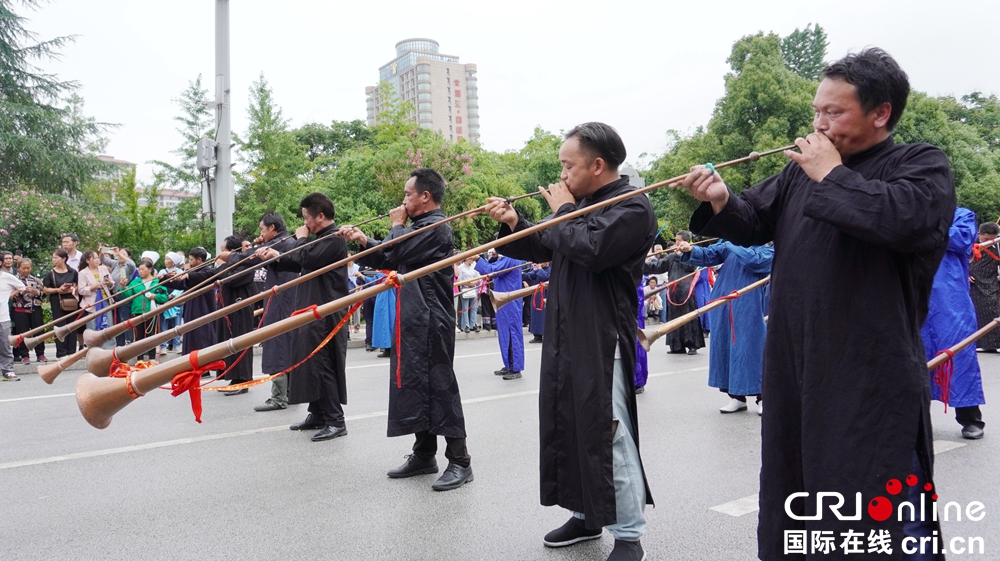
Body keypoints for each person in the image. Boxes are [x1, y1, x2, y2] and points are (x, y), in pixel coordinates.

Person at [678, 48, 954, 559]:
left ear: (881, 113)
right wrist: (719, 197)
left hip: (869, 369)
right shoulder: (799, 172)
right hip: (796, 360)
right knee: (797, 486)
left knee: (875, 496)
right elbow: (753, 219)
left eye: (835, 112)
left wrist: (831, 174)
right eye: (817, 111)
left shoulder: (920, 164)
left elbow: (903, 220)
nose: (819, 123)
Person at [484, 122, 657, 561]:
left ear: (597, 165)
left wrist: (562, 212)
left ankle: (629, 535)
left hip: (601, 338)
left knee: (607, 432)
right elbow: (549, 245)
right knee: (570, 424)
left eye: (567, 165)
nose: (561, 175)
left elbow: (592, 249)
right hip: (565, 332)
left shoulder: (632, 208)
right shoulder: (578, 205)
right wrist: (514, 223)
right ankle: (586, 514)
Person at [341, 167, 473, 492]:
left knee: (440, 387)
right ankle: (424, 453)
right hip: (413, 317)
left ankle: (461, 461)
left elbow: (397, 249)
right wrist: (363, 240)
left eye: (407, 194)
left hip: (431, 320)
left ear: (425, 196)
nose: (402, 201)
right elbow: (389, 255)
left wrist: (396, 225)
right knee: (413, 384)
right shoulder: (418, 228)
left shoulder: (437, 228)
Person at [256, 193, 350, 443]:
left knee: (324, 364)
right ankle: (317, 413)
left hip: (327, 311)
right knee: (310, 363)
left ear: (321, 216)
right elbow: (298, 263)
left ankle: (335, 420)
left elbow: (305, 257)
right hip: (311, 308)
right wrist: (274, 260)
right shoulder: (319, 239)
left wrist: (300, 238)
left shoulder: (334, 239)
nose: (305, 223)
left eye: (307, 218)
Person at [680, 240, 772, 415]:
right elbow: (710, 254)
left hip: (749, 304)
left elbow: (757, 262)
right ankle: (736, 397)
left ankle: (764, 397)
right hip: (723, 302)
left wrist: (733, 244)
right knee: (727, 350)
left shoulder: (769, 247)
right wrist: (690, 249)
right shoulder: (732, 245)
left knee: (752, 349)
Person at [921, 208, 986, 440]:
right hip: (914, 296)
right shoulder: (906, 211)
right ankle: (914, 421)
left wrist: (924, 222)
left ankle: (970, 418)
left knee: (959, 355)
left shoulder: (962, 215)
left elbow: (961, 240)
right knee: (913, 358)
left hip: (950, 300)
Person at [247, 212, 300, 412]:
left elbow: (250, 258)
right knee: (287, 345)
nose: (260, 233)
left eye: (262, 229)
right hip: (289, 300)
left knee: (277, 346)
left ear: (272, 228)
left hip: (280, 302)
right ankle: (291, 393)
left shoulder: (278, 245)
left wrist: (244, 252)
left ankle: (279, 397)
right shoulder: (290, 242)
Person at [644, 231, 704, 355]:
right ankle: (677, 346)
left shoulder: (692, 254)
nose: (676, 243)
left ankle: (692, 345)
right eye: (675, 240)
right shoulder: (670, 257)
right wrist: (641, 264)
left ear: (686, 241)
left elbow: (691, 267)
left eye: (678, 240)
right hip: (673, 292)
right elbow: (658, 266)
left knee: (689, 318)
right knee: (674, 318)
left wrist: (679, 254)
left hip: (686, 292)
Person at [210, 236, 255, 394]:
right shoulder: (228, 265)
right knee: (227, 342)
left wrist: (223, 266)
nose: (221, 254)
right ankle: (232, 376)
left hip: (240, 308)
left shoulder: (245, 264)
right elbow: (215, 277)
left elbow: (232, 280)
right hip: (227, 308)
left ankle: (242, 380)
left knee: (239, 342)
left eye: (224, 251)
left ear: (234, 251)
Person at [474, 249, 526, 379]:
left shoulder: (511, 257)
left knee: (512, 334)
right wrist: (492, 258)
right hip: (503, 301)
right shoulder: (505, 258)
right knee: (504, 334)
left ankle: (515, 368)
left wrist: (477, 258)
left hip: (510, 302)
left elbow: (491, 271)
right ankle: (508, 365)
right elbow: (493, 269)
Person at [163, 248, 218, 362]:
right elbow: (181, 283)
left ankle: (204, 364)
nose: (190, 262)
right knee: (191, 334)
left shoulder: (207, 271)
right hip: (192, 307)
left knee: (201, 334)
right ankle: (193, 362)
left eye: (192, 259)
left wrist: (188, 275)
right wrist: (164, 278)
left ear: (199, 260)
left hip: (203, 308)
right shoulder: (194, 272)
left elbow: (206, 275)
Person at [116, 260, 169, 361]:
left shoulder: (157, 281)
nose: (140, 271)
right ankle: (139, 359)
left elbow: (164, 297)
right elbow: (128, 295)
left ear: (150, 269)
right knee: (138, 336)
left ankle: (152, 358)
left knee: (152, 335)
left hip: (152, 312)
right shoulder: (135, 282)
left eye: (142, 269)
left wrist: (155, 296)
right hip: (137, 311)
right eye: (139, 269)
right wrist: (123, 288)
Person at [41, 249, 79, 359]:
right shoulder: (50, 273)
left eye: (56, 258)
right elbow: (45, 289)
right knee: (60, 326)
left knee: (72, 326)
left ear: (64, 259)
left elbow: (78, 285)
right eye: (53, 258)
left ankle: (72, 351)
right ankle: (61, 352)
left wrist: (71, 288)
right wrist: (58, 290)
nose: (54, 260)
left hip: (71, 302)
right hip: (57, 302)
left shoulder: (72, 272)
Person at [969, 222, 1000, 352]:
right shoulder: (969, 243)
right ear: (979, 234)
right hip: (972, 282)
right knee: (974, 311)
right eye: (986, 239)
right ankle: (979, 344)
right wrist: (964, 274)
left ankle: (995, 343)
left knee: (992, 306)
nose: (989, 241)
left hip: (991, 281)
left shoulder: (998, 244)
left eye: (992, 238)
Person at [76, 250, 115, 350]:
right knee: (93, 327)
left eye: (98, 258)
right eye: (95, 258)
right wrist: (93, 287)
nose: (98, 260)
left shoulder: (103, 269)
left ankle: (109, 349)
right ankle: (94, 349)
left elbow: (112, 283)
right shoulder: (83, 273)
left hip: (105, 300)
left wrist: (109, 283)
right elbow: (81, 290)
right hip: (92, 304)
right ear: (88, 261)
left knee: (108, 325)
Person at [12, 259, 46, 364]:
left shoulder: (36, 280)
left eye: (28, 268)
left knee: (39, 331)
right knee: (22, 333)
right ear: (18, 268)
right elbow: (10, 296)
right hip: (20, 309)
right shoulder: (13, 280)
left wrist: (38, 293)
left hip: (35, 308)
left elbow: (44, 294)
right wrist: (22, 292)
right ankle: (24, 355)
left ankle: (40, 354)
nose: (26, 270)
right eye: (24, 268)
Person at [101, 247, 137, 346]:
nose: (119, 256)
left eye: (123, 254)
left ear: (128, 257)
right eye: (118, 254)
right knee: (116, 320)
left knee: (125, 319)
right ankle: (119, 343)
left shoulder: (129, 266)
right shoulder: (115, 264)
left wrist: (118, 253)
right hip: (113, 295)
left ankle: (129, 342)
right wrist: (101, 252)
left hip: (123, 294)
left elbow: (132, 263)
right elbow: (103, 259)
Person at [0, 264, 25, 381]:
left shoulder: (7, 277)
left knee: (5, 346)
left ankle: (8, 371)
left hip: (3, 318)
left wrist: (9, 295)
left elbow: (22, 287)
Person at [158, 251, 185, 353]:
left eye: (168, 259)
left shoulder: (179, 272)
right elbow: (158, 285)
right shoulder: (161, 272)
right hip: (164, 301)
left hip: (176, 301)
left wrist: (173, 295)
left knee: (177, 324)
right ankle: (163, 346)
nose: (165, 261)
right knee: (163, 325)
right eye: (165, 259)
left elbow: (182, 286)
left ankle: (177, 344)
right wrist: (165, 296)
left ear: (173, 262)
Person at [523, 262, 550, 343]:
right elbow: (529, 276)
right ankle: (537, 336)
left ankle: (546, 335)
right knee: (535, 315)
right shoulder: (537, 270)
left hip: (546, 294)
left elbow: (546, 276)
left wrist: (540, 269)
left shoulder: (550, 269)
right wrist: (522, 273)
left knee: (544, 316)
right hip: (537, 295)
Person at [456, 257, 479, 333]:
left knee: (474, 307)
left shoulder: (474, 266)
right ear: (466, 259)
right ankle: (465, 325)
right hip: (465, 288)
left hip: (473, 288)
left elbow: (478, 276)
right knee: (465, 308)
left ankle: (474, 324)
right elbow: (459, 279)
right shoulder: (461, 267)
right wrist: (468, 283)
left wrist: (474, 282)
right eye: (471, 259)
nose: (472, 260)